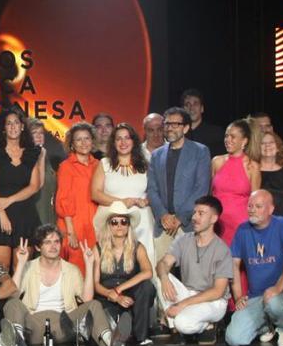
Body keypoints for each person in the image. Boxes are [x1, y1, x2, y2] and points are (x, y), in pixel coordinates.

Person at [4, 225, 113, 346]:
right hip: (34, 325)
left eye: (56, 242)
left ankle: (111, 341)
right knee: (11, 304)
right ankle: (17, 340)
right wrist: (21, 264)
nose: (53, 246)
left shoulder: (72, 270)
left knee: (94, 304)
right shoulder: (28, 267)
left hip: (64, 325)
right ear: (38, 247)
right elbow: (13, 296)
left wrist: (89, 266)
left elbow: (86, 300)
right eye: (47, 242)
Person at [224, 190, 283, 346]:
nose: (252, 209)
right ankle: (266, 326)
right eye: (250, 205)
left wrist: (280, 285)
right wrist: (238, 297)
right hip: (256, 296)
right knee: (234, 338)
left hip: (280, 293)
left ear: (270, 209)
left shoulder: (282, 224)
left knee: (273, 302)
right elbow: (234, 263)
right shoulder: (242, 230)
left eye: (258, 206)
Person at [154, 196, 232, 343]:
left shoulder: (222, 250)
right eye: (194, 212)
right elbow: (163, 263)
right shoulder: (184, 240)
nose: (195, 217)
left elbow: (218, 291)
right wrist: (164, 278)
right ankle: (175, 326)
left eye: (201, 213)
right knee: (160, 275)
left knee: (183, 323)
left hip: (212, 301)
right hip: (188, 293)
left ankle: (207, 326)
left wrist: (181, 305)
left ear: (214, 218)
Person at [0, 107, 45, 270]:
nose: (13, 126)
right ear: (3, 128)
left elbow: (34, 186)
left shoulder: (31, 152)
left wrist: (9, 200)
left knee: (21, 269)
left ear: (22, 126)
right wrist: (2, 214)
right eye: (8, 123)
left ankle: (19, 297)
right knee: (1, 269)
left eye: (16, 123)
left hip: (25, 217)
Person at [148, 107, 213, 262]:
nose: (169, 128)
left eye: (175, 124)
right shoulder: (157, 155)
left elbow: (201, 188)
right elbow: (152, 188)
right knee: (162, 276)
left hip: (189, 224)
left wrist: (180, 218)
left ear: (186, 128)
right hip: (163, 225)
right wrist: (163, 215)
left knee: (191, 276)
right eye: (167, 124)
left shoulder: (200, 151)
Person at [91, 122, 155, 264]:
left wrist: (147, 200)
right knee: (114, 263)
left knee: (144, 262)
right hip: (113, 220)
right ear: (113, 143)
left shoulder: (146, 164)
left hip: (142, 221)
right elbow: (95, 193)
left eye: (127, 138)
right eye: (119, 139)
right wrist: (121, 202)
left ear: (134, 141)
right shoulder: (105, 163)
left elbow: (155, 191)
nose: (123, 142)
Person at [94, 208, 156, 346]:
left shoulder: (138, 247)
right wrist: (114, 295)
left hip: (131, 295)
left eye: (124, 221)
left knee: (146, 286)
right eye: (114, 222)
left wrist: (120, 290)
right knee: (110, 321)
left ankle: (142, 337)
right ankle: (119, 331)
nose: (119, 225)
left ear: (129, 225)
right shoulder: (98, 248)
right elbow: (96, 284)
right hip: (107, 296)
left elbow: (148, 272)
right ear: (109, 226)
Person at [55, 122, 100, 273]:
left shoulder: (99, 165)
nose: (83, 143)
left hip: (94, 223)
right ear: (72, 144)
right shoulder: (66, 166)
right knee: (76, 267)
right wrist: (70, 231)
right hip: (73, 224)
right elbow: (64, 199)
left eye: (87, 138)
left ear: (92, 141)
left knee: (94, 266)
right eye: (78, 140)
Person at [211, 118, 261, 245]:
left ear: (244, 141)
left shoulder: (252, 166)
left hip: (241, 227)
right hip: (217, 225)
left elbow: (255, 202)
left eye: (233, 137)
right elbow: (210, 195)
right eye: (226, 136)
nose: (228, 140)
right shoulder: (217, 161)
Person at [28, 118, 60, 225]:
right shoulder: (24, 158)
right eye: (34, 133)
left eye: (41, 133)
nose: (39, 136)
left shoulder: (45, 157)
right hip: (34, 214)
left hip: (48, 212)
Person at [258, 131, 283, 219]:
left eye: (271, 142)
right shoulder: (253, 171)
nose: (267, 145)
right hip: (259, 224)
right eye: (263, 143)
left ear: (278, 147)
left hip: (282, 223)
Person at [182, 88, 226, 156]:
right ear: (183, 110)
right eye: (187, 104)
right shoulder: (179, 134)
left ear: (202, 108)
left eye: (195, 104)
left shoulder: (216, 133)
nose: (191, 108)